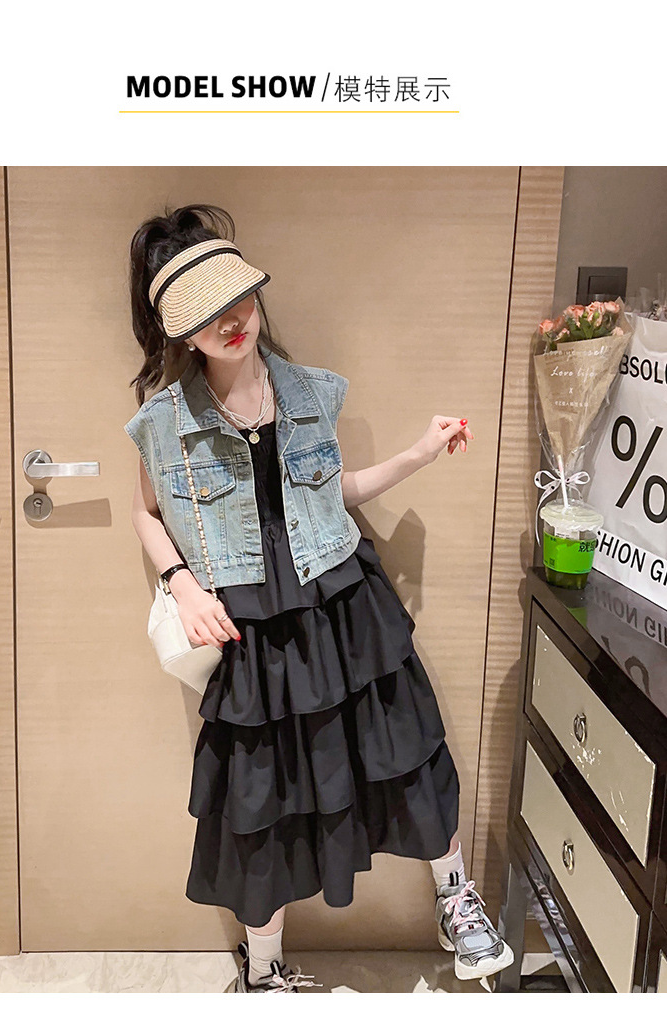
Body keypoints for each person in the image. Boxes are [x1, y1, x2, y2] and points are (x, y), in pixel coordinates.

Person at [124, 204, 514, 993]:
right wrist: (183, 583)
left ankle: (456, 901)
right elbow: (146, 513)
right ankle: (264, 969)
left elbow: (335, 491)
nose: (233, 321)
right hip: (249, 625)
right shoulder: (163, 421)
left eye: (240, 298)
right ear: (181, 334)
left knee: (406, 743)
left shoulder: (305, 389)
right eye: (208, 314)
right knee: (259, 794)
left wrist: (419, 452)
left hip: (342, 596)